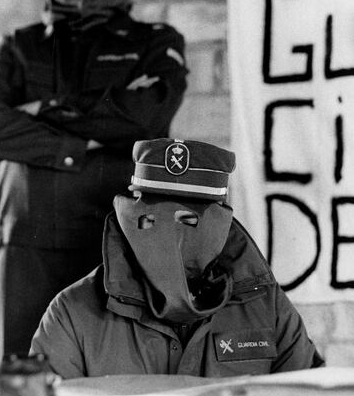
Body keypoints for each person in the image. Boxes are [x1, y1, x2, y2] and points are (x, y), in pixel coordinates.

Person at [0, 0, 187, 354]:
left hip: (116, 233)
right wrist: (79, 141)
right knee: (29, 374)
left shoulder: (154, 42)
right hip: (28, 238)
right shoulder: (19, 47)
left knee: (117, 369)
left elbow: (147, 118)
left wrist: (38, 111)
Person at [30, 137, 324, 378]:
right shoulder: (73, 312)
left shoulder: (264, 306)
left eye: (189, 221)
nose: (170, 238)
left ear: (220, 224)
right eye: (151, 219)